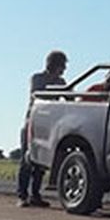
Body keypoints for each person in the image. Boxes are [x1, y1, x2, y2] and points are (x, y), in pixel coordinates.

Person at [19, 50, 67, 207]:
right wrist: (57, 87)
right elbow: (38, 94)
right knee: (27, 160)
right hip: (32, 123)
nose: (64, 69)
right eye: (62, 65)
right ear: (54, 64)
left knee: (40, 163)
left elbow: (69, 98)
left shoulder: (62, 82)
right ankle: (22, 195)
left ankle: (35, 195)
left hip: (47, 126)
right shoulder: (37, 78)